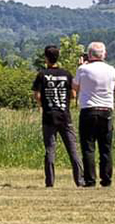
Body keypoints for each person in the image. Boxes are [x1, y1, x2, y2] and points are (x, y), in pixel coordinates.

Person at [32, 46, 84, 187]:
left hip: (49, 117)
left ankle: (50, 182)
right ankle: (80, 180)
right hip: (64, 116)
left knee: (50, 150)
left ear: (46, 58)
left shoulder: (42, 75)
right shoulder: (66, 74)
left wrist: (44, 104)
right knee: (73, 149)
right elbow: (73, 94)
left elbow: (37, 95)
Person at [73, 42, 115, 188]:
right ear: (103, 54)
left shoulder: (83, 69)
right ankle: (106, 179)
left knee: (88, 147)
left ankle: (90, 179)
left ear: (89, 54)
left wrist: (81, 65)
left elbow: (75, 88)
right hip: (106, 110)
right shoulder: (111, 70)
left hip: (89, 110)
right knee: (106, 147)